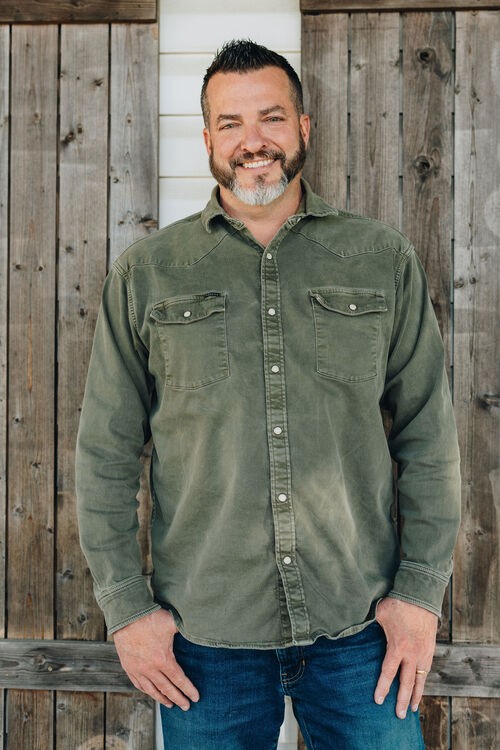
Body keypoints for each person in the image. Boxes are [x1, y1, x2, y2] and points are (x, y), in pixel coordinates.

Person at [76, 40, 461, 749]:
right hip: (204, 640)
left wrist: (420, 592)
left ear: (304, 127)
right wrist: (127, 610)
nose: (253, 141)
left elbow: (428, 437)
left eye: (272, 118)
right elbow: (105, 452)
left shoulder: (382, 260)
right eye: (231, 123)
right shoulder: (148, 275)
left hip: (362, 631)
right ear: (207, 140)